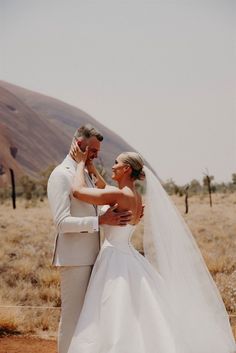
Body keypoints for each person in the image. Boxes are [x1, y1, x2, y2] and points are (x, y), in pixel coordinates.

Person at [67, 145, 236, 353]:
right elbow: (104, 190)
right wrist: (92, 170)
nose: (113, 166)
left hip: (114, 259)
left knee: (113, 313)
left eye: (116, 163)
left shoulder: (120, 196)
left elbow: (78, 191)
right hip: (126, 254)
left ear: (127, 169)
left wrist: (81, 163)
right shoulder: (135, 198)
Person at [47, 125, 133, 353]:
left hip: (97, 258)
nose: (96, 153)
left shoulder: (83, 174)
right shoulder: (61, 175)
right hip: (74, 260)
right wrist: (101, 221)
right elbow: (61, 222)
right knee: (73, 320)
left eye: (97, 150)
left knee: (91, 322)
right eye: (92, 149)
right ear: (78, 143)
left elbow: (102, 199)